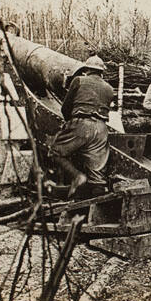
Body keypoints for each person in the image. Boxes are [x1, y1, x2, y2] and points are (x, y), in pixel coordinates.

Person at [49, 55, 115, 198]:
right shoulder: (109, 89)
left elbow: (65, 108)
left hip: (81, 123)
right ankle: (98, 203)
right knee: (97, 177)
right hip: (101, 129)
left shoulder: (78, 80)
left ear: (87, 70)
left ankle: (78, 177)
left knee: (55, 152)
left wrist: (70, 124)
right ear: (101, 72)